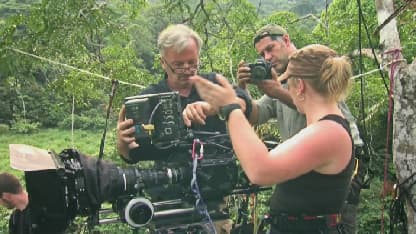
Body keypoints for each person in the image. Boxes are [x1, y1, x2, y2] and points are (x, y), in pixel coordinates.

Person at [189, 44, 356, 233]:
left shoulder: (329, 132)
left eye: (287, 84)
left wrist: (230, 109)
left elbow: (261, 170)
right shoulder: (324, 127)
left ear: (299, 86)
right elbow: (257, 116)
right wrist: (223, 106)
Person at [116, 24, 251, 234]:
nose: (187, 70)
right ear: (163, 63)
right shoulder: (149, 98)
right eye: (178, 65)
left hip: (214, 201)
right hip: (168, 203)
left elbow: (244, 103)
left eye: (192, 63)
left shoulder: (211, 84)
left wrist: (213, 107)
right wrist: (123, 144)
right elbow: (133, 154)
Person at [238, 24, 365, 233]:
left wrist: (277, 92)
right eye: (262, 54)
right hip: (301, 167)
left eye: (270, 48)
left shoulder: (316, 66)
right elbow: (256, 114)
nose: (267, 57)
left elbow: (325, 110)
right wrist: (242, 90)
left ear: (286, 40)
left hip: (335, 171)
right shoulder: (278, 80)